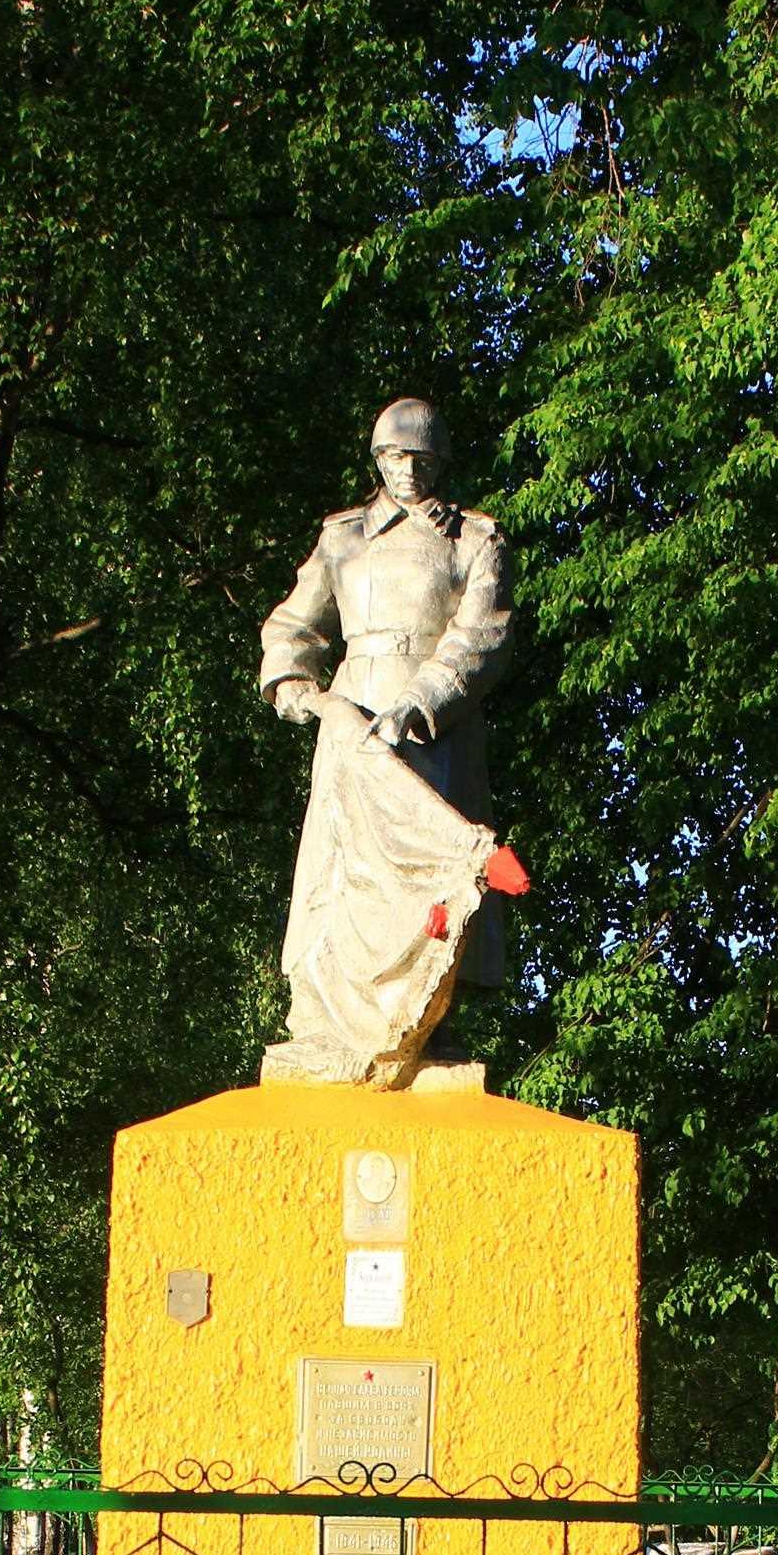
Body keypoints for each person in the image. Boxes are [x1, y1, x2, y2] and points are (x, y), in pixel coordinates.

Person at [258, 398, 524, 1085]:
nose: (408, 470)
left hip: (434, 728)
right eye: (396, 456)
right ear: (378, 459)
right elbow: (293, 624)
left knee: (428, 866)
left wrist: (419, 702)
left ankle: (428, 1022)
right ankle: (329, 1024)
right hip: (352, 720)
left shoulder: (474, 540)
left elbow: (481, 636)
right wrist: (292, 681)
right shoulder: (342, 538)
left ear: (441, 461)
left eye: (422, 458)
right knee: (343, 876)